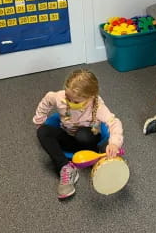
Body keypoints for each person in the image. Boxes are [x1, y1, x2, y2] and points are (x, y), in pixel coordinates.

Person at [33, 69, 124, 200]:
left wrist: (115, 143)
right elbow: (47, 100)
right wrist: (39, 120)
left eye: (75, 101)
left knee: (83, 135)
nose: (70, 102)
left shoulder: (98, 106)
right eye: (68, 98)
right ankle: (65, 167)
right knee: (42, 131)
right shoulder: (59, 97)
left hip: (88, 139)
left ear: (91, 97)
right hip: (69, 137)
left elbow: (114, 122)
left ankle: (96, 155)